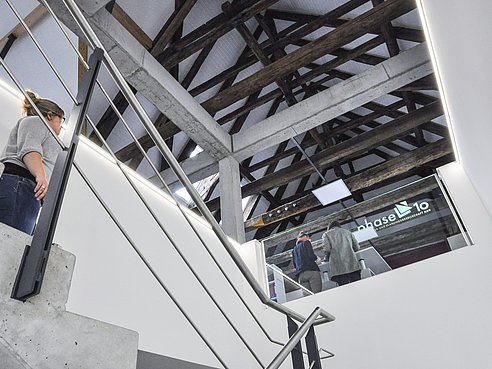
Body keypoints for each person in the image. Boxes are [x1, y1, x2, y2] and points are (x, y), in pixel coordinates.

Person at [0, 91, 64, 235]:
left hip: (26, 190)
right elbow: (30, 150)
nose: (61, 126)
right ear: (50, 115)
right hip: (21, 185)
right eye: (62, 120)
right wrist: (41, 176)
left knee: (16, 243)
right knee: (12, 241)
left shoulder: (40, 127)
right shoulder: (37, 121)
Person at [322, 220, 361, 286]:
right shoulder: (348, 232)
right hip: (352, 265)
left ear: (329, 228)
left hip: (338, 268)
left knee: (344, 290)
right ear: (339, 226)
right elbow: (357, 247)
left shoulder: (326, 234)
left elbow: (327, 249)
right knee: (358, 286)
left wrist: (326, 259)